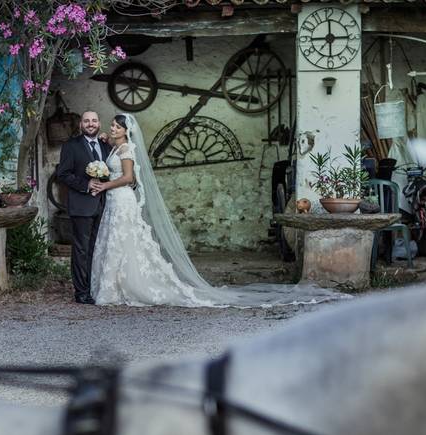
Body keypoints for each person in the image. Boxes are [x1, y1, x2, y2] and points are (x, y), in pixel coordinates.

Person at [88, 113, 345, 308]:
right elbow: (114, 158)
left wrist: (103, 184)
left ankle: (128, 287)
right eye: (111, 126)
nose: (111, 128)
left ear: (126, 131)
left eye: (116, 126)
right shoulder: (114, 146)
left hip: (121, 198)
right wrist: (104, 146)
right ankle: (115, 287)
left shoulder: (127, 149)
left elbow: (129, 177)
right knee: (117, 241)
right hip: (114, 199)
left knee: (126, 241)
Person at [56, 111, 111, 304]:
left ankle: (96, 287)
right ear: (81, 124)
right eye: (87, 121)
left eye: (94, 120)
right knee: (81, 249)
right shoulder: (71, 146)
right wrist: (85, 185)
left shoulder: (105, 145)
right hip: (81, 205)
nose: (90, 124)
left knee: (98, 248)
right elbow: (62, 174)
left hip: (104, 206)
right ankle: (81, 292)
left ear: (99, 123)